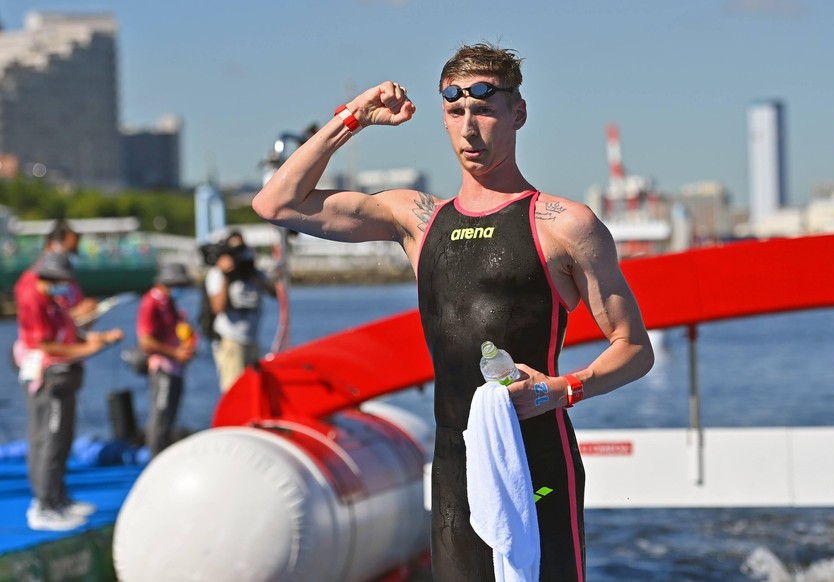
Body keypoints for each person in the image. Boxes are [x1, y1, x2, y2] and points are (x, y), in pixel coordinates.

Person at [252, 42, 654, 581]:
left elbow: (634, 347)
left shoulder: (562, 224)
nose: (469, 127)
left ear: (519, 113)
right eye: (455, 110)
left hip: (538, 456)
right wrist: (353, 117)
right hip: (453, 463)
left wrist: (566, 389)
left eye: (484, 108)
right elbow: (275, 203)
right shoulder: (416, 218)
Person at [15, 252, 124, 531]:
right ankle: (44, 504)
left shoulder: (56, 301)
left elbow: (69, 333)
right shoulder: (34, 300)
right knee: (47, 441)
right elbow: (47, 345)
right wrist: (87, 349)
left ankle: (59, 498)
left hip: (65, 378)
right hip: (47, 380)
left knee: (62, 439)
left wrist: (96, 338)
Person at [136, 262, 198, 458]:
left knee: (169, 415)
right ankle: (156, 457)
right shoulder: (151, 302)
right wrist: (174, 353)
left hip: (175, 367)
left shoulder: (168, 302)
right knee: (160, 416)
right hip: (162, 366)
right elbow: (146, 341)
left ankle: (163, 454)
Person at [204, 230, 275, 392]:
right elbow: (218, 307)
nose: (238, 254)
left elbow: (274, 293)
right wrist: (226, 275)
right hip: (231, 340)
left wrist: (252, 269)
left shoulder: (252, 273)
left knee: (254, 389)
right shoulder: (217, 274)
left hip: (252, 339)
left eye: (241, 248)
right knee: (234, 390)